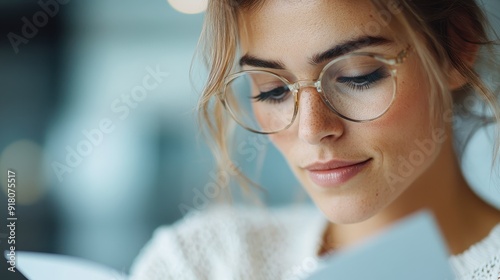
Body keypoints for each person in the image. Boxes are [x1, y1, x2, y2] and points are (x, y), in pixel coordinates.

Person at [130, 0, 500, 279]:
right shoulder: (203, 263)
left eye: (359, 76)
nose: (311, 129)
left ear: (456, 47)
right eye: (273, 90)